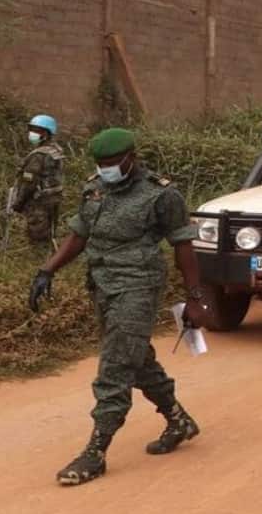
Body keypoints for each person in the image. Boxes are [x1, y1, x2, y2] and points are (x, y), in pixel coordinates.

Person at [27, 128, 206, 486]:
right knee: (136, 358)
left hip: (138, 285)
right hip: (102, 284)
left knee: (116, 365)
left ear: (130, 158)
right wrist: (47, 269)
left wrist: (196, 298)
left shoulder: (161, 193)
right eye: (101, 164)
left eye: (112, 163)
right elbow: (79, 235)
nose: (106, 169)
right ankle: (178, 418)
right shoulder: (94, 188)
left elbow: (183, 245)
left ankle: (95, 452)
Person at [12, 114, 65, 253]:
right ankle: (52, 256)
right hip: (54, 197)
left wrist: (18, 203)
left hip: (39, 200)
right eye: (32, 130)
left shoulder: (37, 156)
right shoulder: (56, 150)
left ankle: (41, 263)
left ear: (46, 134)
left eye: (37, 131)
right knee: (51, 232)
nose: (32, 134)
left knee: (38, 234)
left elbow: (29, 183)